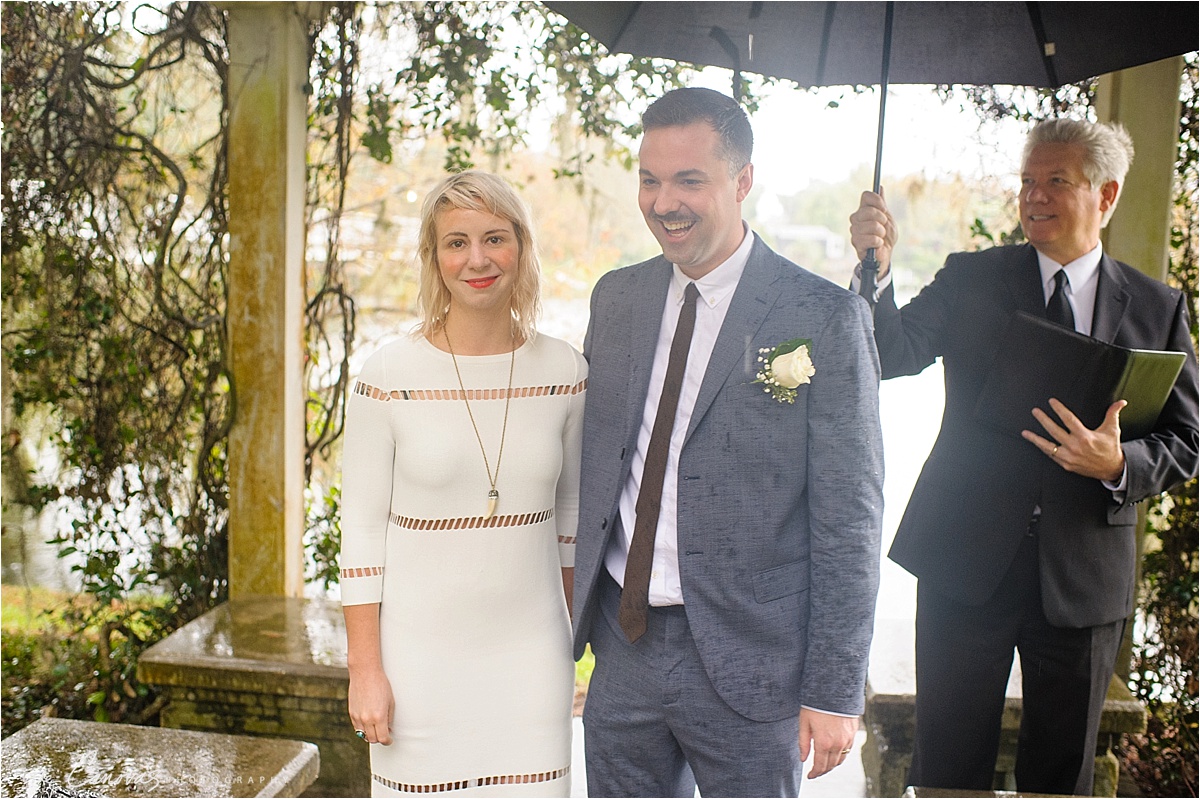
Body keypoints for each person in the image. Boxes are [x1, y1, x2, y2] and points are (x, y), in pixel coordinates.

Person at [849, 118, 1199, 795]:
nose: (1034, 196)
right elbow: (888, 354)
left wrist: (1119, 463)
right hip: (964, 561)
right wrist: (876, 270)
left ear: (1107, 194)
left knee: (1061, 776)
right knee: (948, 767)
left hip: (1085, 579)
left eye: (1055, 182)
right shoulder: (971, 278)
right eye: (1027, 182)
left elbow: (1187, 439)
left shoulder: (1157, 307)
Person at [572, 86, 884, 798]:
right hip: (624, 648)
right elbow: (592, 466)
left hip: (756, 663)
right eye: (649, 179)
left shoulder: (823, 316)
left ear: (743, 180)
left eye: (689, 179)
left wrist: (834, 687)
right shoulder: (615, 299)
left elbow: (850, 517)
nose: (662, 201)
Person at [339, 170, 586, 797]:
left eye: (494, 238)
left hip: (532, 660)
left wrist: (587, 650)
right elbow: (362, 534)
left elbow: (573, 524)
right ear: (433, 256)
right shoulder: (386, 374)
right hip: (416, 665)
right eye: (456, 242)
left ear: (522, 248)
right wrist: (364, 670)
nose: (477, 259)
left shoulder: (565, 372)